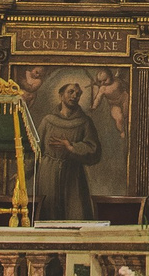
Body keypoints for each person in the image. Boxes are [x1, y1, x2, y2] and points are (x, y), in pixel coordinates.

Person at [35, 79, 103, 221]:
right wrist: (23, 174)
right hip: (48, 172)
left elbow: (94, 150)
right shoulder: (48, 121)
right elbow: (35, 149)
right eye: (70, 92)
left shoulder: (84, 122)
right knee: (48, 214)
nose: (74, 96)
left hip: (73, 174)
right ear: (61, 95)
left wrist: (71, 147)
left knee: (75, 213)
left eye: (77, 94)